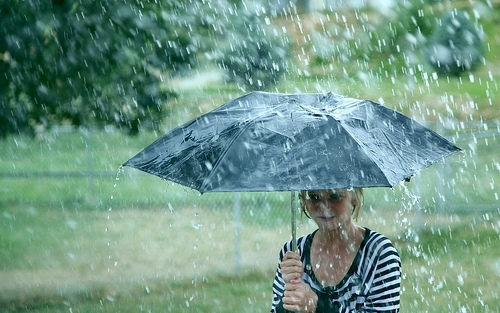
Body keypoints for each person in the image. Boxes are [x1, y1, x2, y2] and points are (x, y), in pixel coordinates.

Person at [270, 188, 401, 312]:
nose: (324, 207)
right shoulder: (293, 252)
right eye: (314, 197)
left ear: (354, 196)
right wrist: (288, 295)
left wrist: (317, 305)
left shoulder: (379, 254)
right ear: (303, 198)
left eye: (335, 196)